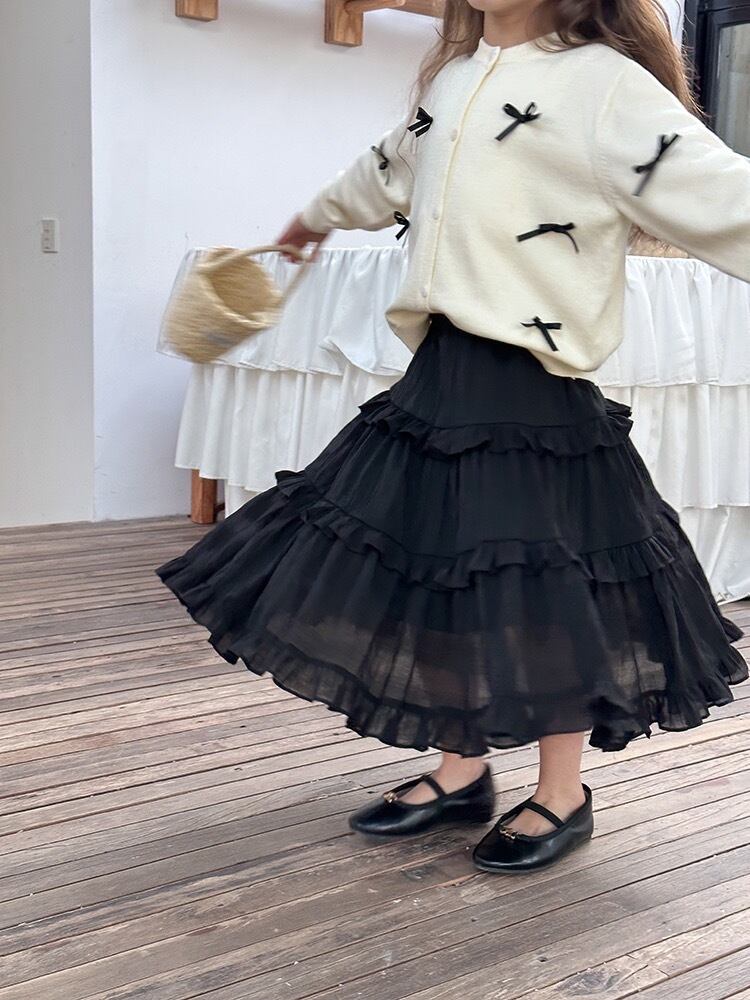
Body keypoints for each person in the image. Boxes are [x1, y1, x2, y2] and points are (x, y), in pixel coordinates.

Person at [156, 0, 750, 874]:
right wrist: (308, 224)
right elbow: (388, 167)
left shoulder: (604, 86)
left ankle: (562, 793)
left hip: (531, 388)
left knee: (544, 593)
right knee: (439, 574)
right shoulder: (456, 81)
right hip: (440, 375)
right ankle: (462, 771)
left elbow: (724, 194)